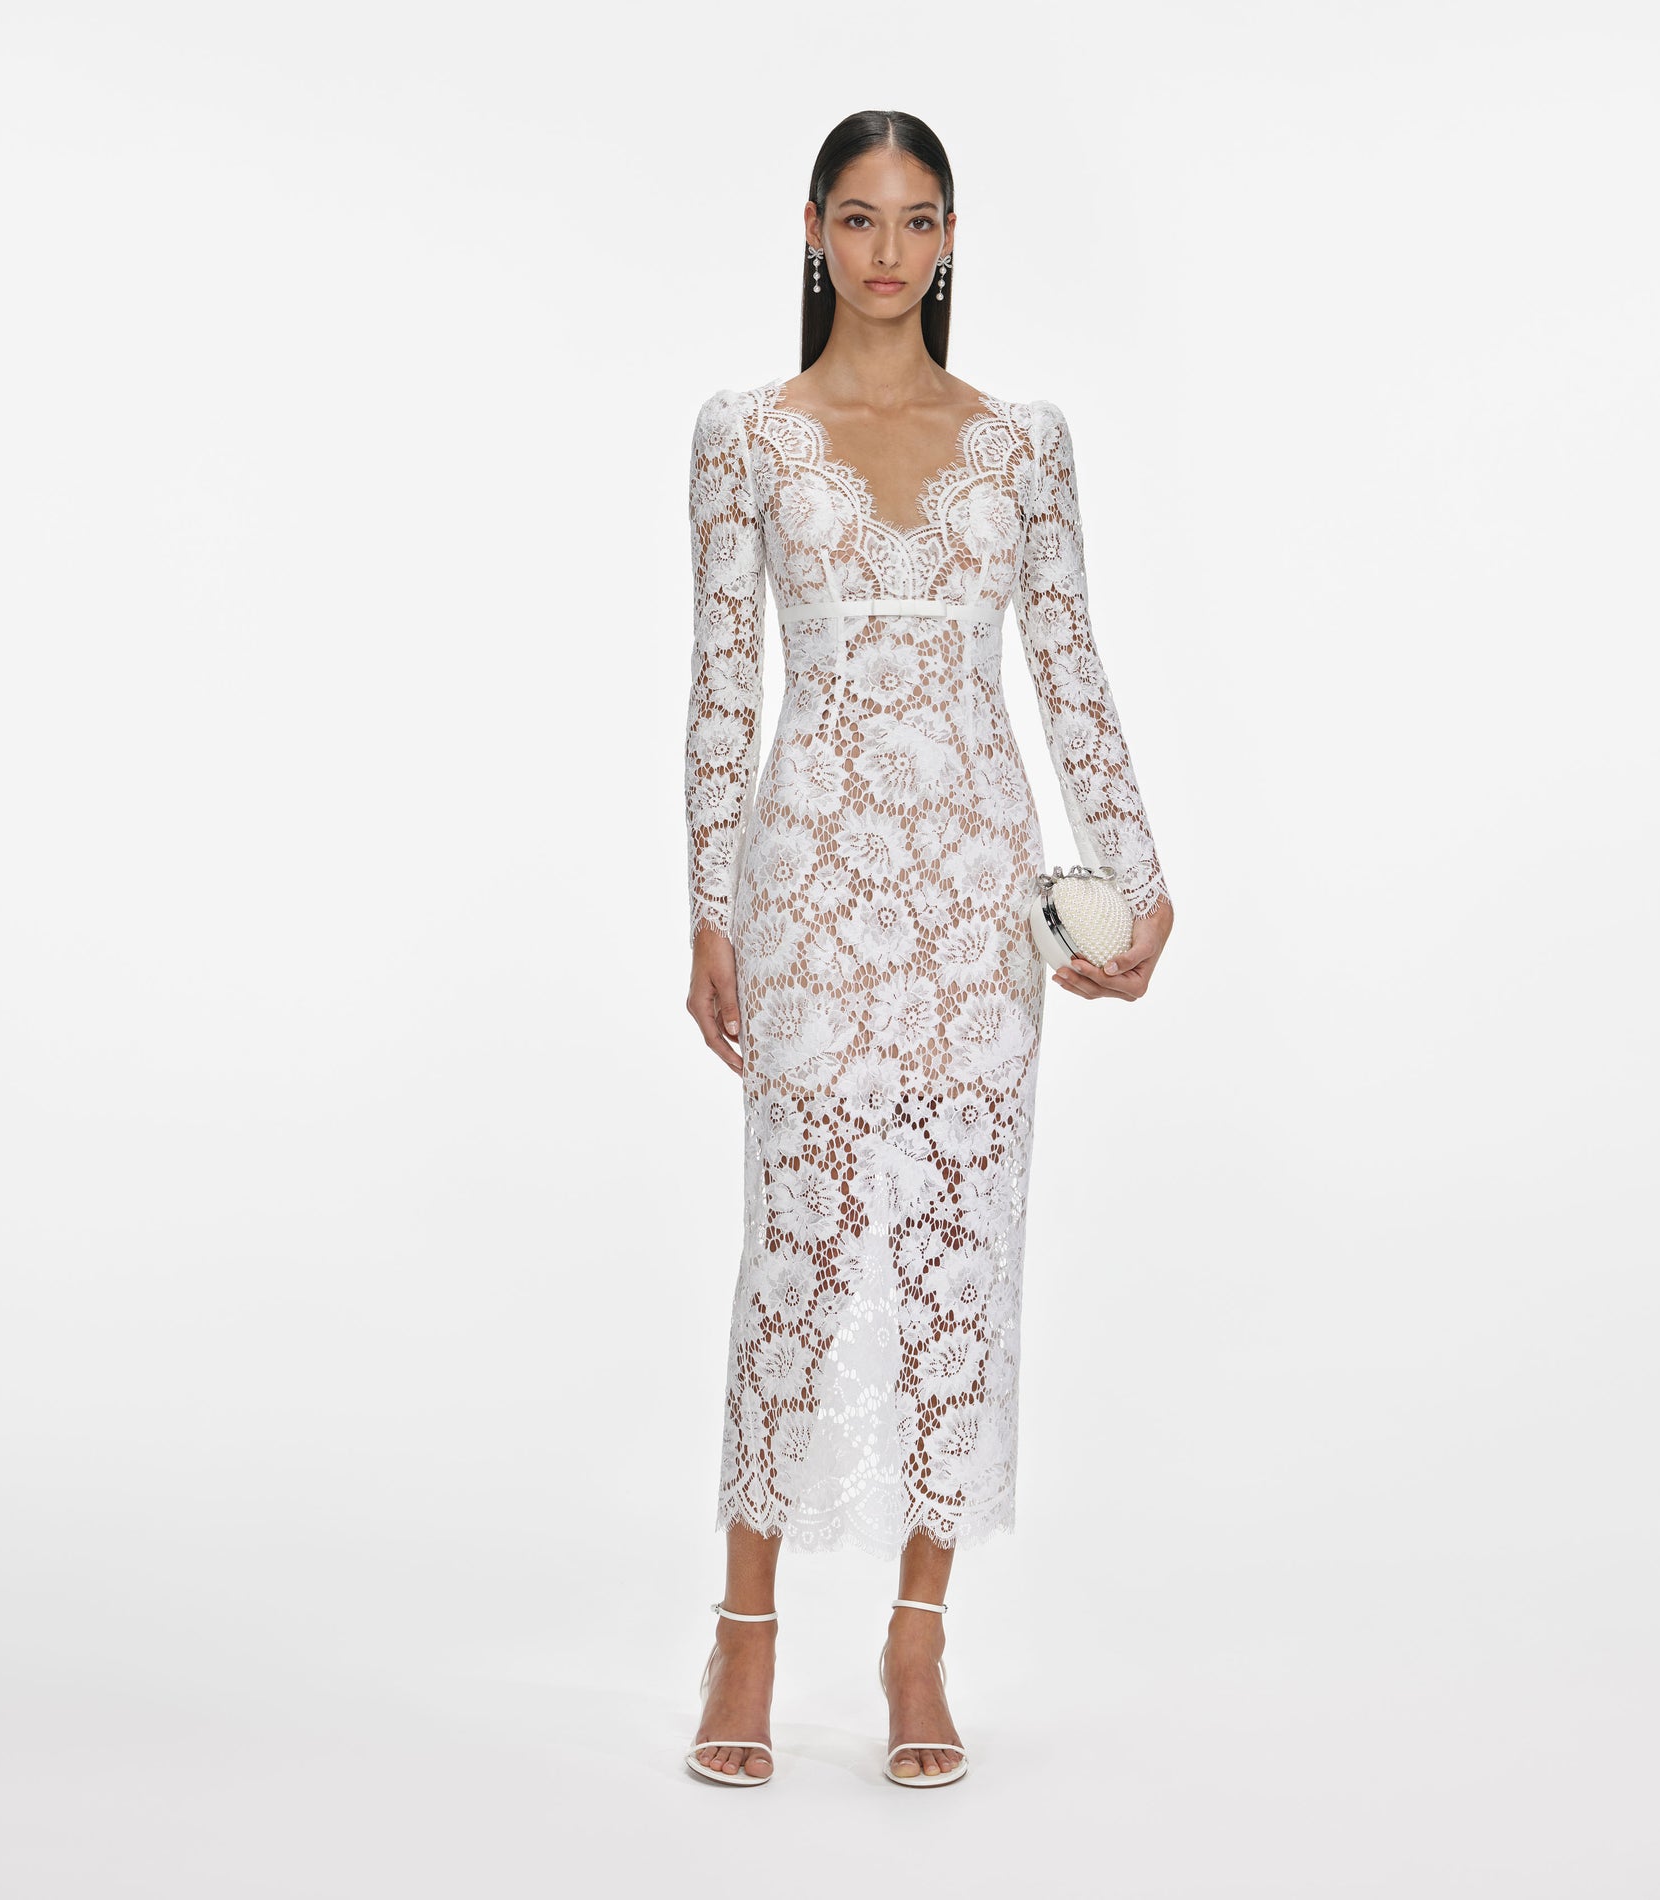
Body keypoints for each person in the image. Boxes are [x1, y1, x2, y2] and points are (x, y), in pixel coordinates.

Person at [681, 109, 1175, 1789]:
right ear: (813, 231)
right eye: (858, 217)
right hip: (811, 884)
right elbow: (723, 687)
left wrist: (1137, 878)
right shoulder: (746, 435)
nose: (887, 250)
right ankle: (743, 1636)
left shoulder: (1022, 444)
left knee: (962, 1263)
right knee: (798, 1255)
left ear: (952, 238)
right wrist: (709, 906)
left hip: (973, 894)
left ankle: (918, 1639)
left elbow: (1070, 667)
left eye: (917, 219)